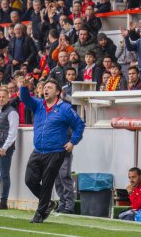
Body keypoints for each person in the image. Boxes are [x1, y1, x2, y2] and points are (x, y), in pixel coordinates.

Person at [19, 78, 85, 223]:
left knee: (48, 182)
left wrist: (73, 141)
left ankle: (40, 214)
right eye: (44, 87)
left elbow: (79, 124)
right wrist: (24, 87)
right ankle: (48, 203)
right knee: (29, 180)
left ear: (57, 92)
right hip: (38, 150)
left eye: (49, 87)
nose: (46, 90)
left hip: (56, 151)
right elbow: (24, 98)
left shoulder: (65, 109)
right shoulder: (38, 104)